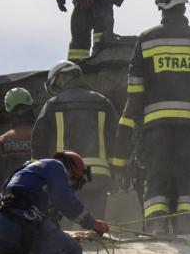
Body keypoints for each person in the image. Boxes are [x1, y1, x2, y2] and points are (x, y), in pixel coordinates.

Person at [121, 0, 190, 234]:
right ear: (183, 7)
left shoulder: (146, 39)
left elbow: (135, 87)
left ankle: (156, 228)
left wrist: (137, 121)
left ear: (161, 9)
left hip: (156, 125)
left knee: (156, 176)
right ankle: (189, 229)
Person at [32, 60, 124, 218]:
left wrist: (38, 178)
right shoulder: (103, 102)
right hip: (98, 177)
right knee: (94, 224)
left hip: (65, 177)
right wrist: (117, 172)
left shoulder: (52, 105)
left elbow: (38, 143)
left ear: (61, 79)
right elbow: (116, 140)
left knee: (66, 228)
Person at [0, 88, 37, 210]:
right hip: (40, 206)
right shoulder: (44, 136)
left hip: (10, 207)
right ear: (30, 108)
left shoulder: (1, 142)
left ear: (9, 111)